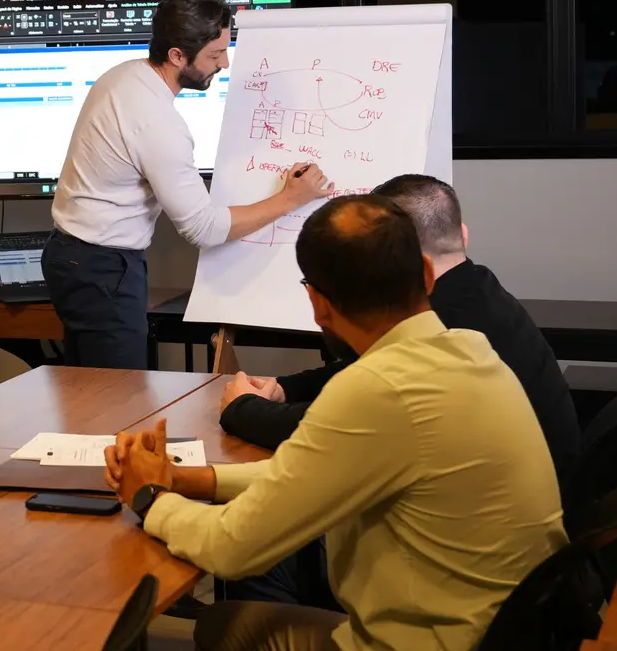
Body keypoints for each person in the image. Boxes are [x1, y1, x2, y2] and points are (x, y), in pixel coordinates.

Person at [105, 196, 564, 651]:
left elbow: (230, 548)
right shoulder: (470, 350)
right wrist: (190, 479)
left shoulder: (377, 388)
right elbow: (311, 472)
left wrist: (149, 497)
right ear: (428, 274)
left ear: (317, 303)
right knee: (222, 631)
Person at [219, 174, 580, 486]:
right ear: (463, 235)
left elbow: (340, 427)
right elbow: (366, 372)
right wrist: (286, 387)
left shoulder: (444, 328)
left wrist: (242, 409)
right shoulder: (475, 289)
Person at [44, 0, 333, 369]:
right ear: (177, 55)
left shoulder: (125, 75)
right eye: (214, 55)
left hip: (74, 257)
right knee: (117, 394)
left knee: (91, 390)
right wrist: (291, 198)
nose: (224, 63)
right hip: (101, 267)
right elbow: (203, 228)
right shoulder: (156, 122)